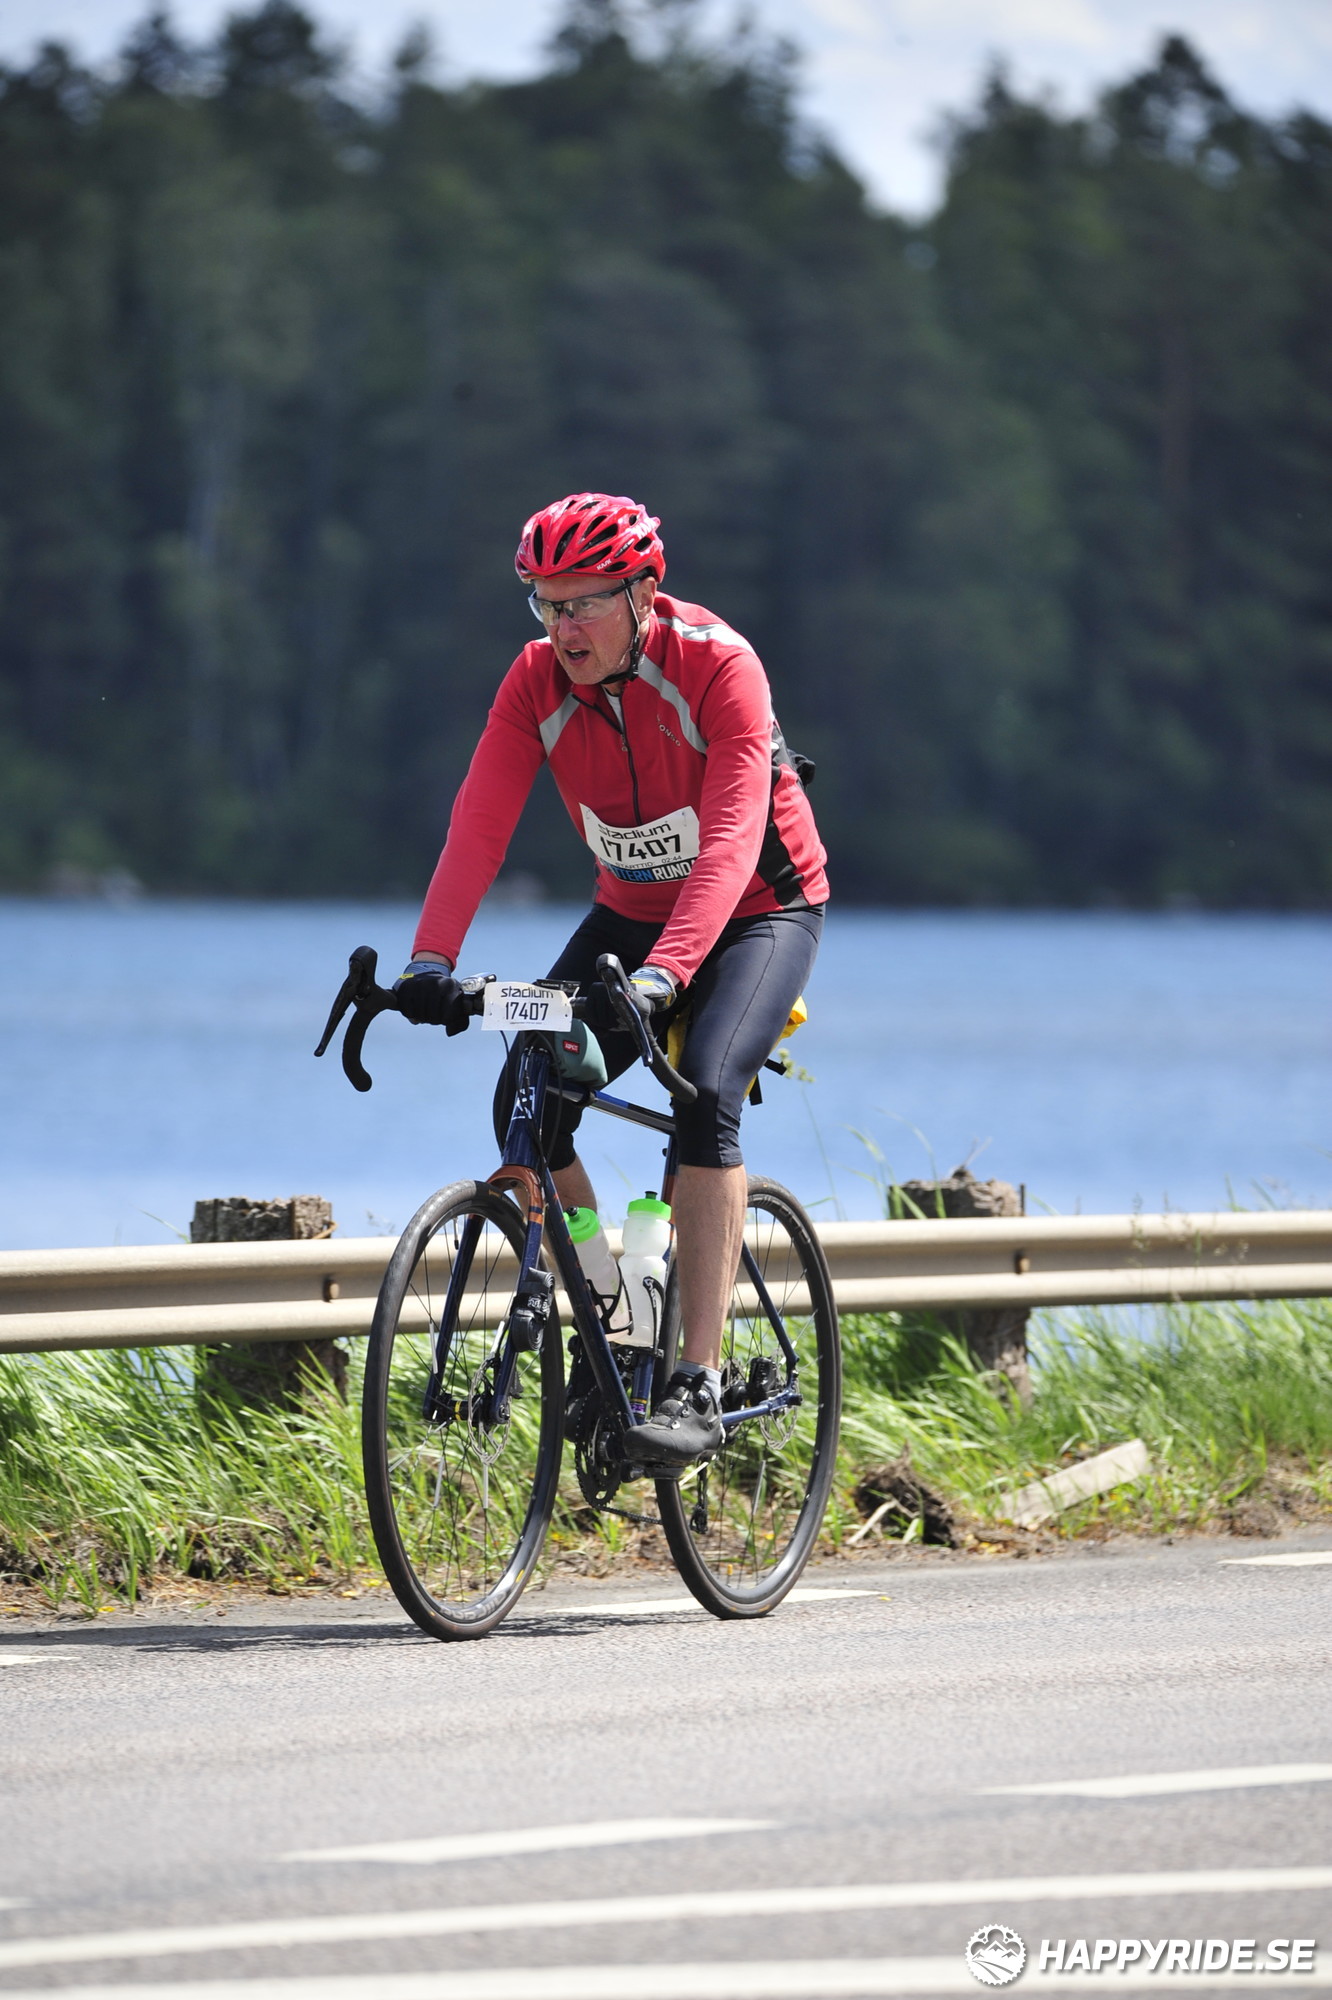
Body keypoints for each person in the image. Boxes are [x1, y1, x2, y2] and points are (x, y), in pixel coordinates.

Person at [393, 493, 829, 1469]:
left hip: (760, 909)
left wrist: (669, 975)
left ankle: (696, 1380)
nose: (563, 627)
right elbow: (479, 826)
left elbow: (729, 840)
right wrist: (430, 961)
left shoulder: (720, 665)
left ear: (643, 593)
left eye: (585, 602)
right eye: (547, 604)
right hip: (630, 918)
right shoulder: (534, 683)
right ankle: (612, 1314)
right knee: (528, 1092)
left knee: (706, 1092)